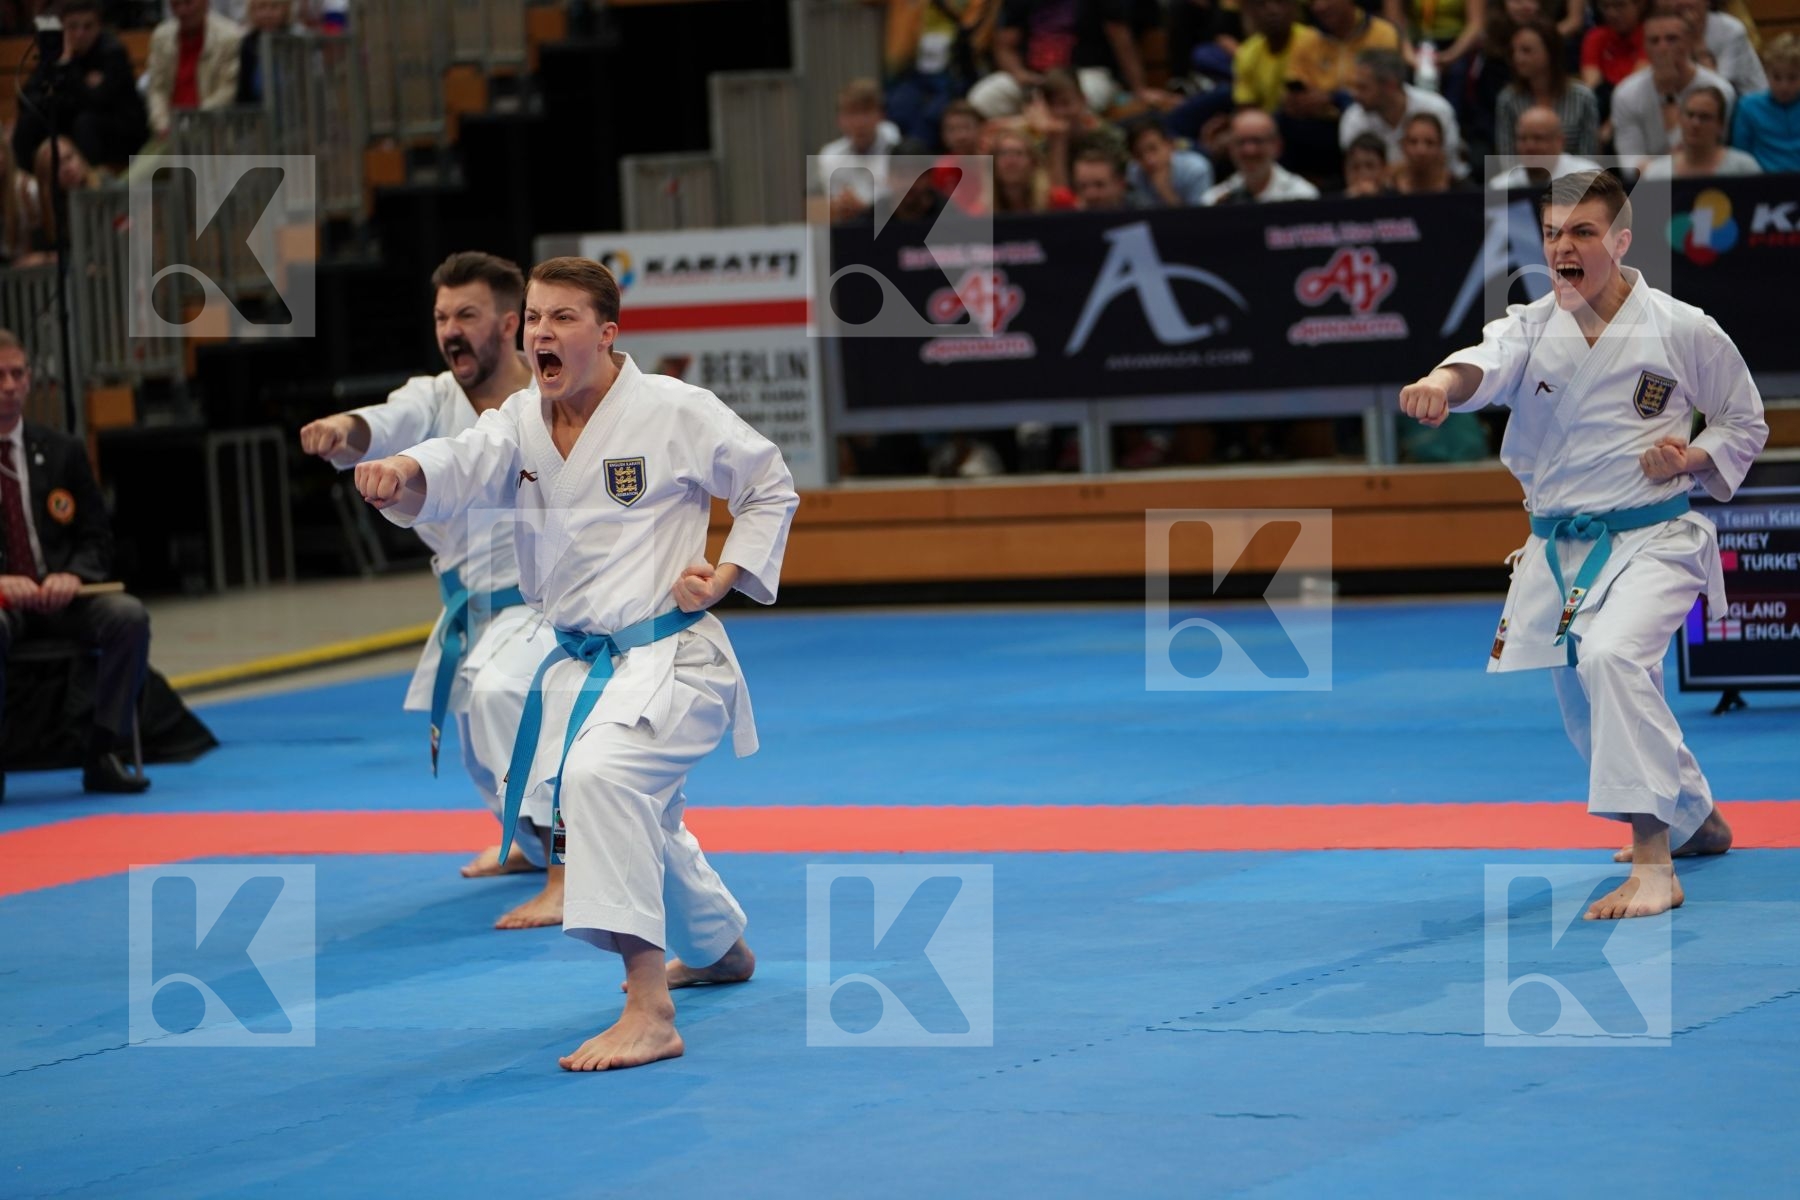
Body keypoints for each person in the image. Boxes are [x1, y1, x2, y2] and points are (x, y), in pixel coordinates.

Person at [354, 257, 799, 1071]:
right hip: (578, 669)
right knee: (635, 813)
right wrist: (405, 474)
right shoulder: (521, 421)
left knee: (600, 782)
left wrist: (729, 571)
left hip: (673, 656)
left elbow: (769, 484)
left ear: (607, 333)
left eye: (561, 318)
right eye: (532, 318)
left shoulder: (672, 410)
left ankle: (648, 1007)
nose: (541, 333)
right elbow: (458, 462)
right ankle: (718, 946)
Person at [1398, 170, 1768, 919]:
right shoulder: (1532, 326)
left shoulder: (1682, 326)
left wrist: (1693, 457)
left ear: (1622, 241)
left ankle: (1657, 864)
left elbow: (1744, 421)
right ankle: (1698, 821)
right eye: (1553, 234)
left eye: (1583, 232)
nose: (1564, 248)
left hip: (1656, 534)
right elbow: (1482, 363)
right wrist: (1441, 380)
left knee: (1614, 659)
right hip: (1559, 549)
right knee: (1587, 704)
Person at [298, 252, 566, 927]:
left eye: (466, 315)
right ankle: (529, 845)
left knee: (511, 698)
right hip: (467, 604)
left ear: (508, 324)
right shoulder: (433, 397)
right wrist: (345, 433)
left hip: (541, 599)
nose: (450, 330)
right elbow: (380, 424)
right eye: (442, 316)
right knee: (475, 731)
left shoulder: (547, 399)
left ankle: (574, 866)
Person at [0, 329, 152, 800]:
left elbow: (97, 536)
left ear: (30, 380)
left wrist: (76, 574)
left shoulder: (61, 450)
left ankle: (104, 751)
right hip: (5, 604)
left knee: (128, 617)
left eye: (17, 373)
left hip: (64, 598)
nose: (9, 384)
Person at [11, 0, 149, 174]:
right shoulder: (57, 51)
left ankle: (90, 188)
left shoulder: (112, 52)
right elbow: (27, 98)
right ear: (63, 28)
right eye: (73, 27)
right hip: (73, 124)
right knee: (29, 122)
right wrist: (68, 84)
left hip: (119, 132)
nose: (79, 34)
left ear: (99, 26)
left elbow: (96, 103)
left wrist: (68, 66)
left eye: (87, 27)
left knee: (85, 122)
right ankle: (23, 183)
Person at [1610, 11, 1734, 166]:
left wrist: (1669, 96)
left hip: (1705, 179)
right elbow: (1630, 164)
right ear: (1645, 47)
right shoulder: (1625, 93)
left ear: (1690, 42)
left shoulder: (1719, 89)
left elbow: (1711, 154)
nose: (1662, 48)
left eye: (1672, 39)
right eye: (1654, 41)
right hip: (1648, 187)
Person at [1340, 48, 1464, 172]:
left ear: (1390, 85)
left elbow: (1446, 163)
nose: (1355, 94)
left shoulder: (1436, 109)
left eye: (1363, 87)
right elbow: (1357, 173)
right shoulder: (1353, 119)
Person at [1494, 21, 1600, 157]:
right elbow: (1506, 157)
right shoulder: (1508, 99)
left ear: (1550, 52)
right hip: (1522, 176)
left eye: (1526, 51)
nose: (1517, 58)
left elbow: (1588, 156)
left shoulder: (1583, 97)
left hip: (1574, 175)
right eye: (1514, 51)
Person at [146, 0, 244, 142]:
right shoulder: (161, 36)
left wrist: (190, 123)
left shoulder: (230, 37)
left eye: (188, 4)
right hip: (169, 134)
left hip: (215, 132)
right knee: (140, 165)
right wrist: (162, 124)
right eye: (176, 5)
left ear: (206, 3)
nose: (183, 11)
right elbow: (157, 89)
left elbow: (228, 90)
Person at [1203, 107, 1320, 202]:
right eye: (1241, 142)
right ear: (1230, 148)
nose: (1249, 150)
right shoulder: (1214, 200)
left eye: (1257, 141)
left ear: (1277, 146)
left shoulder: (1302, 196)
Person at [1640, 85, 1761, 177]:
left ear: (1721, 125)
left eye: (1705, 117)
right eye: (1690, 115)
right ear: (1680, 119)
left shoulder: (1744, 169)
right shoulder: (1657, 173)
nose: (1695, 123)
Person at [1730, 33, 1800, 173]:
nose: (1784, 86)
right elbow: (1740, 156)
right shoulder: (1748, 106)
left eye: (1792, 78)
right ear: (1766, 73)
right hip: (1763, 185)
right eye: (1776, 77)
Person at [1487, 104, 1600, 187]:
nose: (1529, 146)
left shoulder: (1589, 178)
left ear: (1560, 141)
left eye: (1538, 138)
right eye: (1522, 139)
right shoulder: (1500, 187)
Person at [1123, 116, 1213, 206]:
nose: (1149, 160)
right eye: (1139, 155)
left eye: (1153, 149)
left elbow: (1197, 217)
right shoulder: (1134, 171)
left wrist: (1165, 191)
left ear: (1169, 145)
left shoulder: (1196, 169)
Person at [1341, 130, 1394, 195]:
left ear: (1384, 169)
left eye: (1370, 166)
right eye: (1355, 167)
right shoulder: (1332, 200)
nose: (1363, 173)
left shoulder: (1399, 199)